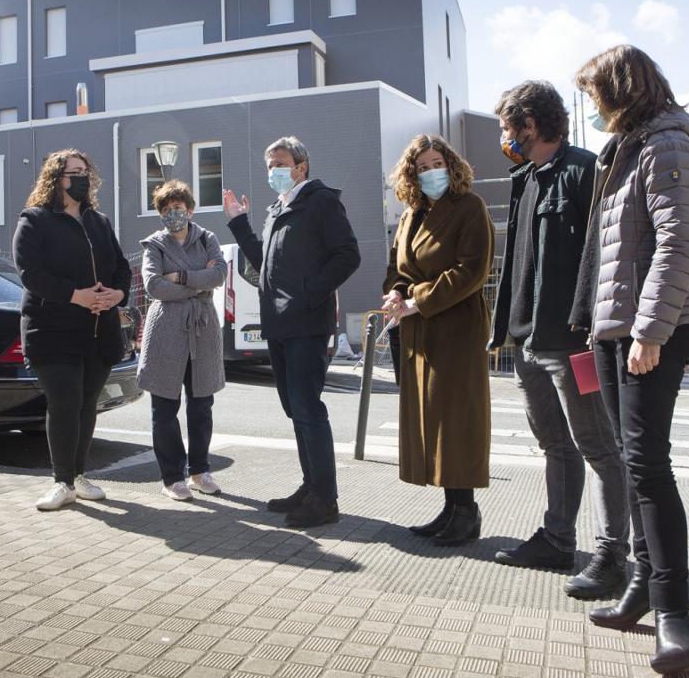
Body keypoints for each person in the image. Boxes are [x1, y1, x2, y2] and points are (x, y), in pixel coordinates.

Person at [570, 45, 689, 674]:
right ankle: (638, 588)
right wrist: (596, 324)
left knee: (649, 465)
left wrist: (650, 331)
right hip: (615, 327)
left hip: (651, 328)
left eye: (595, 93)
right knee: (632, 464)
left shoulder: (666, 144)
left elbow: (680, 241)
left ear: (620, 88)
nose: (592, 106)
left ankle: (676, 616)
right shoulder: (624, 149)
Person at [488, 81, 631, 599]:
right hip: (527, 342)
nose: (505, 136)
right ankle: (557, 541)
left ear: (530, 123)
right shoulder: (524, 178)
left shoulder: (585, 171)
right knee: (555, 445)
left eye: (508, 126)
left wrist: (596, 331)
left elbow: (605, 258)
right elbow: (517, 267)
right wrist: (504, 329)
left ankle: (613, 557)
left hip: (573, 343)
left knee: (599, 448)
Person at [223, 136, 360, 529]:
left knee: (307, 408)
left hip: (306, 324)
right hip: (280, 326)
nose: (273, 172)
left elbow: (348, 255)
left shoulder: (321, 202)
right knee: (294, 409)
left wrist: (308, 293)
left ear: (301, 166)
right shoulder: (276, 210)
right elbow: (261, 263)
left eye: (280, 163)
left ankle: (325, 499)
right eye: (269, 165)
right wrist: (238, 223)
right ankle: (310, 486)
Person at [382, 134, 494, 546]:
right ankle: (451, 508)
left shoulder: (470, 207)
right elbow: (398, 265)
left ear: (452, 164)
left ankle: (466, 511)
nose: (431, 172)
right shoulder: (413, 214)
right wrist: (396, 291)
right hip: (420, 328)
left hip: (456, 326)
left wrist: (417, 301)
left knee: (456, 419)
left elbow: (471, 271)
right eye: (423, 167)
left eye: (436, 163)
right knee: (432, 418)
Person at [13, 149, 132, 512]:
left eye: (84, 171)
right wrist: (76, 296)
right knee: (64, 403)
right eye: (72, 172)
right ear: (56, 178)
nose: (80, 178)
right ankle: (61, 481)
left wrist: (117, 293)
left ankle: (79, 476)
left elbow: (122, 268)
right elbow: (31, 274)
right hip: (53, 331)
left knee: (85, 404)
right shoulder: (34, 220)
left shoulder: (100, 222)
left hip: (98, 331)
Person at [137, 180, 228, 501]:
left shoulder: (208, 239)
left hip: (203, 333)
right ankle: (172, 476)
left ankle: (200, 471)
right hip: (166, 332)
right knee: (164, 405)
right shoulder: (154, 245)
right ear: (161, 213)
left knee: (202, 404)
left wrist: (182, 277)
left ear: (190, 210)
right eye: (166, 209)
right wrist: (199, 284)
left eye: (179, 208)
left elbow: (219, 275)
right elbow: (154, 287)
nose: (173, 214)